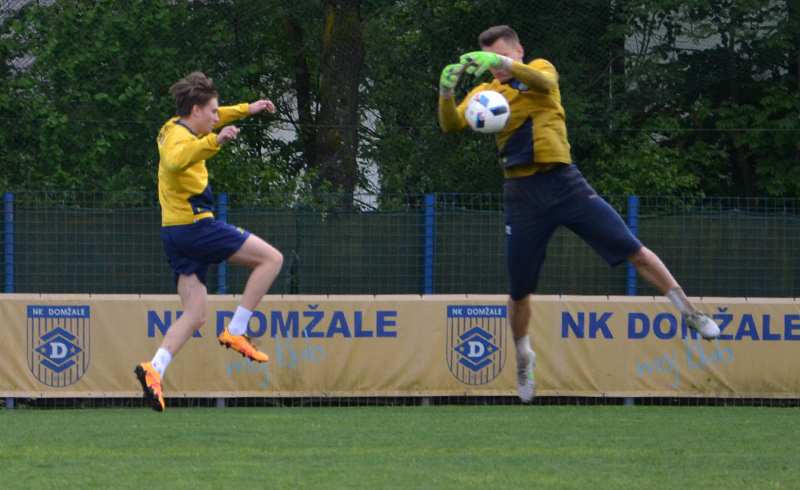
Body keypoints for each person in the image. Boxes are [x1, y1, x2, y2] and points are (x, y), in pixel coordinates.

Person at [437, 26, 720, 404]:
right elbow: (451, 124)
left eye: (502, 57)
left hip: (565, 184)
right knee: (519, 290)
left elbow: (543, 81)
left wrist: (504, 62)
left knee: (633, 249)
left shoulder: (540, 70)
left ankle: (690, 312)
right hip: (522, 194)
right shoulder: (487, 94)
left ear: (518, 51)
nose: (497, 68)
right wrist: (446, 91)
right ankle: (523, 358)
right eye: (492, 62)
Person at [135, 71, 284, 412]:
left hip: (175, 234)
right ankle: (236, 330)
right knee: (271, 259)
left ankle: (154, 368)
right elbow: (174, 160)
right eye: (213, 112)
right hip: (195, 227)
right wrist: (215, 141)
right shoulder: (179, 139)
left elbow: (219, 115)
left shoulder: (177, 125)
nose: (218, 117)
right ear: (196, 111)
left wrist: (248, 109)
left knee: (196, 314)